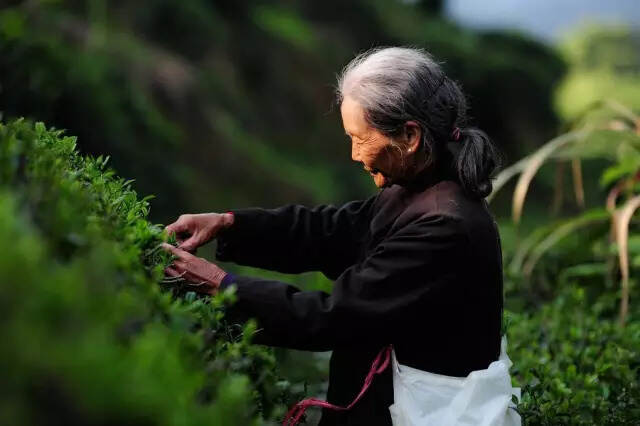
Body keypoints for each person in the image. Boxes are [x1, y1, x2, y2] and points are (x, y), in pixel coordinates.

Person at [162, 46, 506, 425]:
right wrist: (229, 224)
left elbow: (334, 316)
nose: (354, 155)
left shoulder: (446, 226)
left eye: (360, 139)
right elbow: (332, 231)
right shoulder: (415, 186)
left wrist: (219, 286)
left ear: (410, 135)